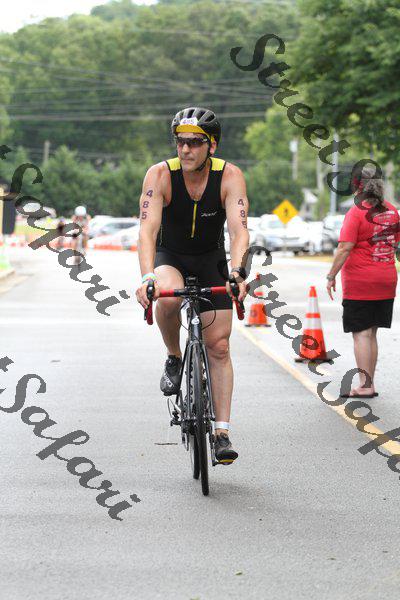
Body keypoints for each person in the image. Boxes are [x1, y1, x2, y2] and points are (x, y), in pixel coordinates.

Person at [135, 107, 250, 463]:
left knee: (219, 347)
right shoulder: (160, 175)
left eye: (195, 142)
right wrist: (147, 276)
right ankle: (174, 356)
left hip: (211, 260)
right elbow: (147, 230)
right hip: (171, 256)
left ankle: (221, 433)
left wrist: (238, 273)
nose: (185, 149)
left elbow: (239, 231)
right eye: (180, 141)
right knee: (168, 299)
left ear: (211, 146)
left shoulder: (230, 176)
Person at [326, 166, 400, 398]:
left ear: (357, 186)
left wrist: (331, 275)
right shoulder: (392, 211)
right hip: (386, 280)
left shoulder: (357, 212)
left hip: (362, 282)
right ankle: (369, 383)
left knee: (361, 334)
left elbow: (344, 247)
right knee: (372, 333)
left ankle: (365, 386)